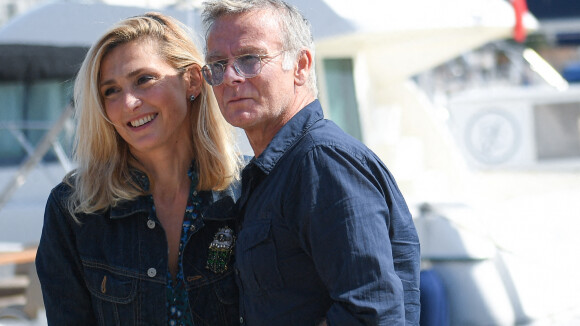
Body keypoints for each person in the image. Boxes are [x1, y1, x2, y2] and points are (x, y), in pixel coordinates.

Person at [201, 1, 421, 325]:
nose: (230, 77)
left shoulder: (321, 162)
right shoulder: (279, 169)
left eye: (249, 59)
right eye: (217, 65)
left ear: (301, 65)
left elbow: (372, 313)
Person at [35, 12, 242, 325]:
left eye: (144, 79)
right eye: (111, 91)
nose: (128, 103)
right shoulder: (74, 210)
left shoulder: (246, 192)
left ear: (193, 81)